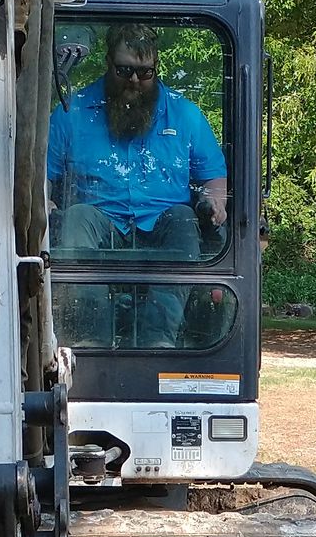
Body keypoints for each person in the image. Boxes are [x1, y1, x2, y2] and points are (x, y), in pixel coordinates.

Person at [47, 25, 228, 348]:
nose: (134, 80)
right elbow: (42, 177)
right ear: (108, 63)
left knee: (183, 219)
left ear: (156, 68)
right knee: (77, 217)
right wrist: (43, 201)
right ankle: (91, 339)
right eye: (124, 70)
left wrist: (215, 201)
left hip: (162, 223)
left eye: (144, 73)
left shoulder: (185, 114)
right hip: (100, 220)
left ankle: (158, 342)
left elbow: (213, 176)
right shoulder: (69, 113)